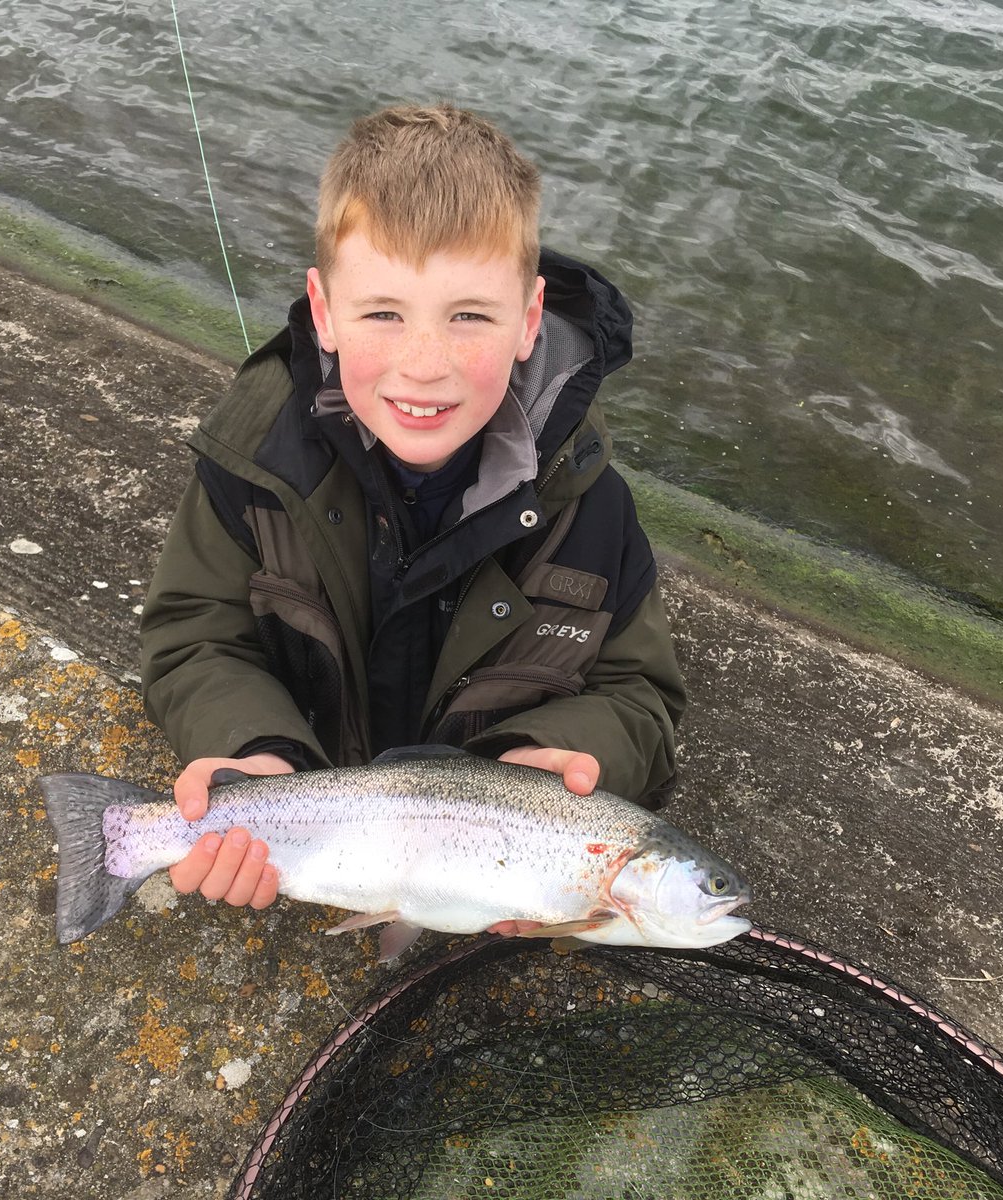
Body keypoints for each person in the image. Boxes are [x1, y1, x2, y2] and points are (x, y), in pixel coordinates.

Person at [139, 103, 687, 931]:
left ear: (529, 320)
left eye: (469, 315)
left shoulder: (594, 505)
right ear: (322, 310)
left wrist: (548, 770)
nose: (424, 365)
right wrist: (255, 749)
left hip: (494, 855)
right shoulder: (251, 463)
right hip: (313, 822)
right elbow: (194, 633)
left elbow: (637, 690)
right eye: (383, 313)